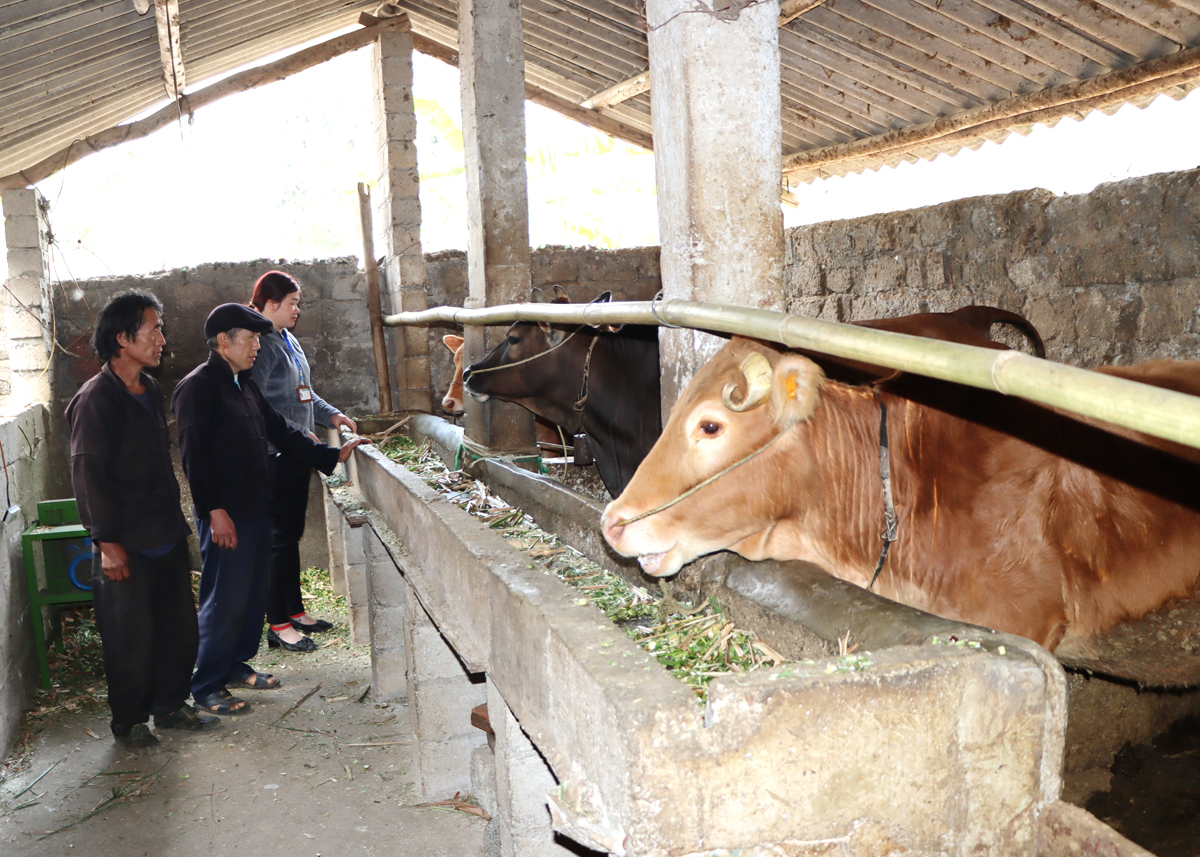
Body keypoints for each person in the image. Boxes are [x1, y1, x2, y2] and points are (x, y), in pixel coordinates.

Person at [172, 303, 370, 715]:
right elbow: (194, 459)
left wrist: (331, 455)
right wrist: (215, 512)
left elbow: (280, 429)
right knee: (224, 599)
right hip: (226, 515)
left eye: (260, 339)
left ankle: (236, 665)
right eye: (251, 339)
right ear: (223, 341)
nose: (257, 347)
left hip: (256, 507)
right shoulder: (198, 387)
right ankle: (206, 685)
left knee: (250, 594)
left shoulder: (243, 383)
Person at [65, 291, 217, 753]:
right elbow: (87, 473)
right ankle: (130, 720)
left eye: (160, 329)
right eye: (154, 330)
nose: (162, 340)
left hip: (163, 534)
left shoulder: (148, 389)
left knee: (176, 628)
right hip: (124, 543)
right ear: (123, 339)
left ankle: (170, 704)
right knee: (130, 638)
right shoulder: (95, 400)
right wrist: (106, 542)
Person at [248, 271, 356, 651]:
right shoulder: (257, 344)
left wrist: (331, 415)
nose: (297, 310)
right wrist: (297, 432)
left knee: (290, 535)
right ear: (272, 303)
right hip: (274, 455)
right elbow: (257, 406)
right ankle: (277, 624)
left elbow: (304, 393)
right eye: (293, 303)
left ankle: (293, 609)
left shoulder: (287, 339)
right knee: (277, 539)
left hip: (297, 452)